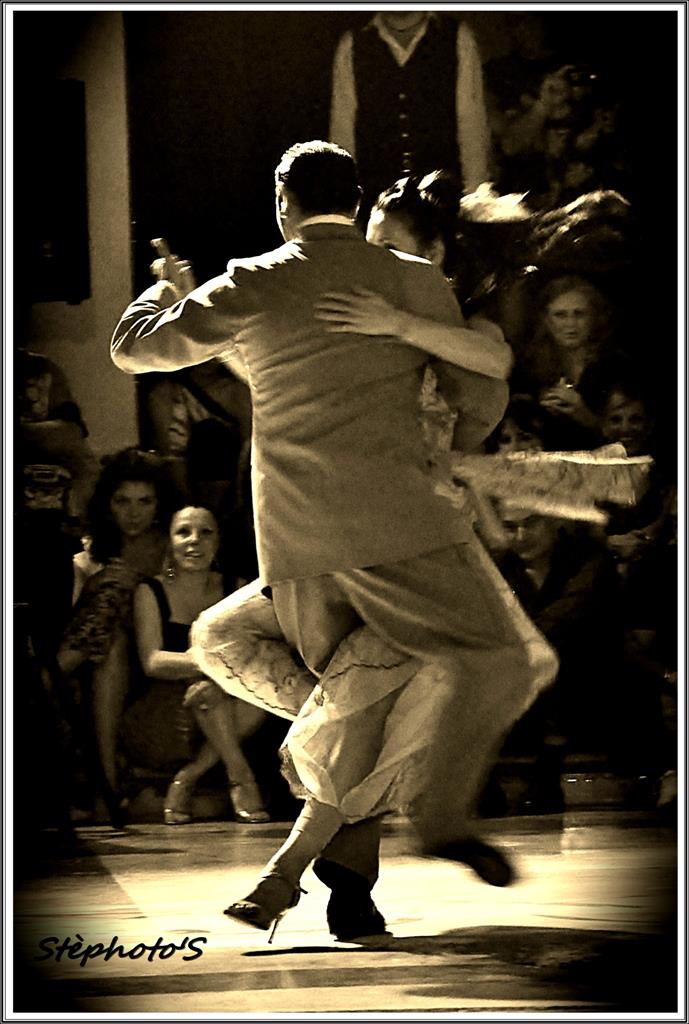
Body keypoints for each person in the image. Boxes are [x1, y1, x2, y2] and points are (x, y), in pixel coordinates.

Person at [112, 140, 557, 938]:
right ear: (352, 205)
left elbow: (133, 350)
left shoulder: (256, 280)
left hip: (302, 545)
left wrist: (162, 298)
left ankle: (309, 870)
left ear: (282, 201)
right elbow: (480, 395)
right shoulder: (413, 283)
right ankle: (410, 819)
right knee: (449, 672)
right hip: (403, 533)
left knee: (360, 693)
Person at [128, 505, 269, 823]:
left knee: (246, 696)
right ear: (169, 540)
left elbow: (257, 652)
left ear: (218, 541)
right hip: (167, 706)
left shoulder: (238, 588)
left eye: (206, 533)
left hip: (228, 701)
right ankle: (239, 776)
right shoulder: (150, 590)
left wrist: (218, 677)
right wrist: (213, 665)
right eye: (184, 532)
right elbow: (153, 661)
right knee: (207, 692)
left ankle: (190, 775)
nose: (195, 540)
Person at [57, 448, 176, 822]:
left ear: (159, 504)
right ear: (108, 505)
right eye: (122, 501)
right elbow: (75, 614)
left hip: (155, 655)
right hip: (101, 662)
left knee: (117, 588)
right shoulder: (90, 553)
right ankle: (105, 783)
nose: (133, 512)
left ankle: (49, 675)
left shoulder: (175, 547)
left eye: (144, 501)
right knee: (111, 641)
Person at [329, 12, 489, 209]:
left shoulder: (458, 38)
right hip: (375, 205)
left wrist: (476, 198)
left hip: (442, 204)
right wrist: (342, 204)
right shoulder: (352, 44)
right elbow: (342, 131)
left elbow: (472, 126)